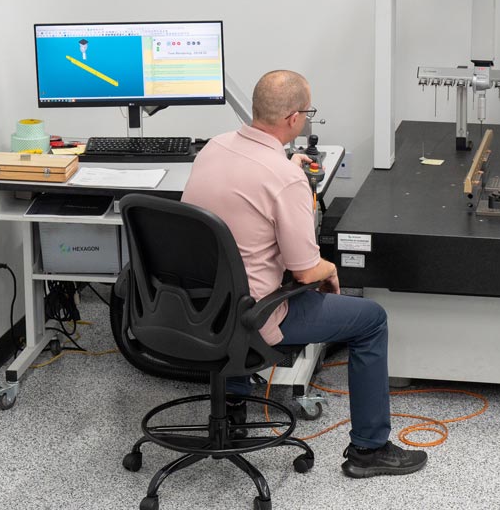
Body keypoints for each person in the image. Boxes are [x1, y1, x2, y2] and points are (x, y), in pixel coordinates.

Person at [181, 69, 426, 478]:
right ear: (294, 119)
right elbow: (306, 269)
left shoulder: (214, 148)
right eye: (308, 111)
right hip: (253, 318)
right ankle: (370, 449)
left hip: (196, 309)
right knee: (370, 320)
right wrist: (330, 267)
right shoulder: (285, 177)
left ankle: (235, 407)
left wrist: (285, 167)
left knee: (239, 280)